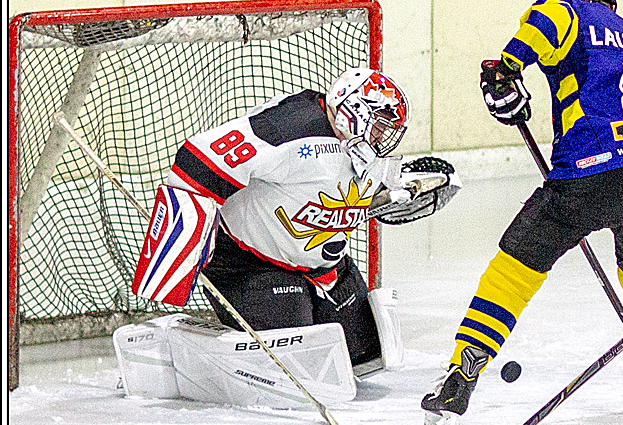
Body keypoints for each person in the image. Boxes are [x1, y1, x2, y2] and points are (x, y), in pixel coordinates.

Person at [420, 0, 623, 425]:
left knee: (518, 263)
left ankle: (462, 371)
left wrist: (507, 69)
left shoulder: (569, 9)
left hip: (590, 166)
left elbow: (546, 20)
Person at [117, 68, 460, 407]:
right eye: (381, 126)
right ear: (353, 110)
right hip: (249, 264)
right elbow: (199, 159)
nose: (385, 139)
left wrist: (395, 191)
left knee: (365, 357)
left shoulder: (359, 146)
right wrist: (185, 243)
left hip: (325, 269)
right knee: (293, 376)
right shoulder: (290, 128)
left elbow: (348, 191)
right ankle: (176, 347)